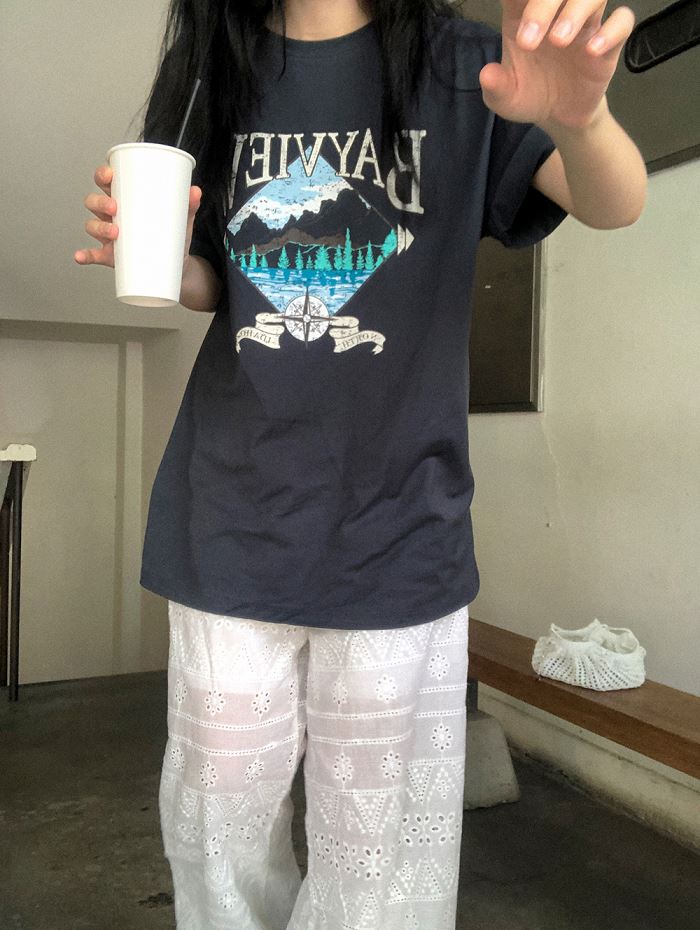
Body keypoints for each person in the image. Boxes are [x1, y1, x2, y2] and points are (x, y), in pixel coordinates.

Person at [75, 1, 647, 927]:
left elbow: (614, 202)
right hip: (232, 510)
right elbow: (217, 276)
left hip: (400, 523)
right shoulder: (213, 62)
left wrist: (582, 120)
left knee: (378, 847)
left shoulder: (468, 61)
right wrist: (164, 264)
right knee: (218, 823)